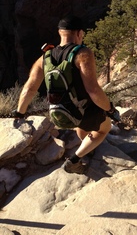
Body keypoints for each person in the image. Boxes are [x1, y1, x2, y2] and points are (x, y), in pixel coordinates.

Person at [12, 14, 118, 174]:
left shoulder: (45, 57)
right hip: (83, 113)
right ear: (80, 33)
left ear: (60, 32)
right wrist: (110, 109)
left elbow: (29, 88)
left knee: (83, 124)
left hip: (58, 114)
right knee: (103, 128)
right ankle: (75, 160)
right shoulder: (83, 53)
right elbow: (93, 90)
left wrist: (20, 112)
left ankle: (86, 145)